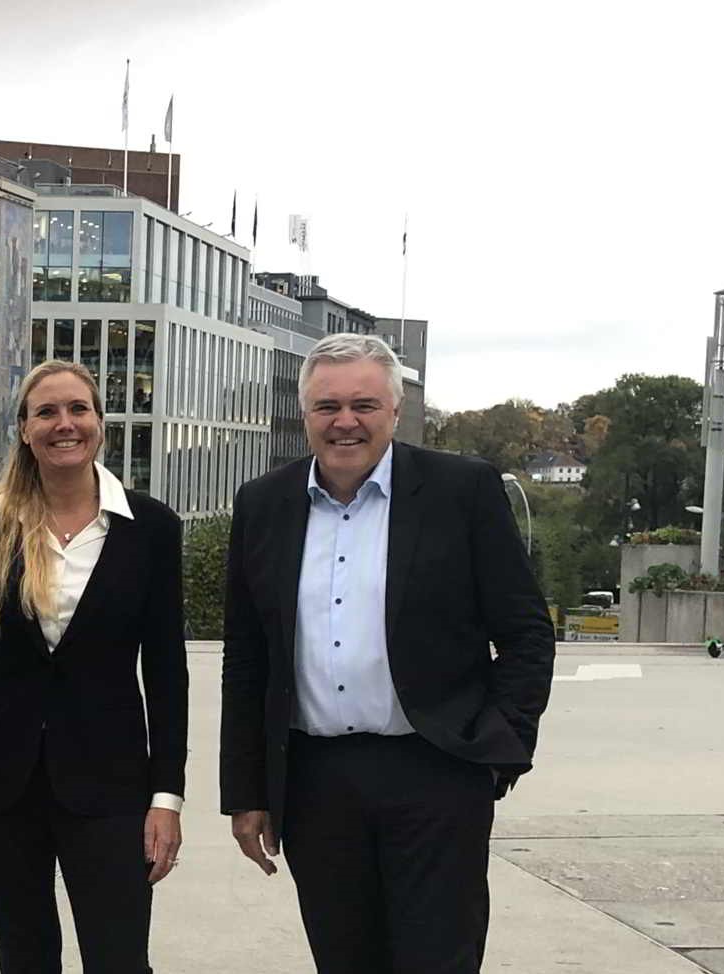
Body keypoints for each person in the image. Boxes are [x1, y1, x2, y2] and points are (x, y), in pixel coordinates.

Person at [219, 333, 556, 974]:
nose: (345, 422)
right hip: (315, 783)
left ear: (396, 413)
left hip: (437, 770)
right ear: (305, 415)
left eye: (364, 405)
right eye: (327, 407)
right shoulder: (262, 504)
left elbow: (525, 632)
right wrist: (247, 791)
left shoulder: (463, 491)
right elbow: (248, 657)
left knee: (438, 960)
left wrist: (500, 748)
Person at [0, 359, 189, 973]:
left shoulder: (150, 528)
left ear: (100, 423)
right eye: (46, 412)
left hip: (111, 786)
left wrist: (166, 797)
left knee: (119, 958)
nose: (63, 424)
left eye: (78, 409)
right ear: (24, 428)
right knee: (24, 958)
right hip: (1, 787)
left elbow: (167, 675)